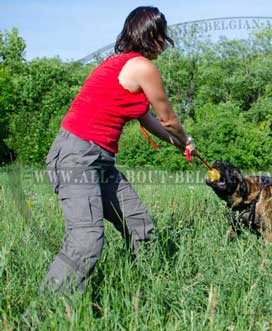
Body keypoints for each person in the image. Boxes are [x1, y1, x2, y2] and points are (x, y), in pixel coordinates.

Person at [40, 6, 196, 293]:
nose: (164, 44)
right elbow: (168, 119)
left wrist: (177, 143)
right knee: (86, 240)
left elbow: (148, 119)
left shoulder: (119, 64)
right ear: (155, 36)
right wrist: (186, 138)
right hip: (78, 156)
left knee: (139, 226)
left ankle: (143, 293)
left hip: (99, 161)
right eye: (163, 36)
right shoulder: (142, 67)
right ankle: (42, 316)